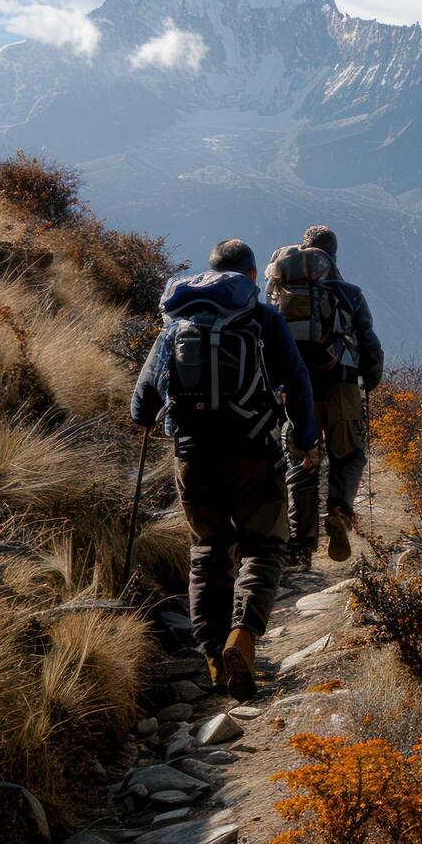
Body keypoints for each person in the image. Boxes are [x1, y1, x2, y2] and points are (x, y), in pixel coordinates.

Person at [131, 240, 319, 702]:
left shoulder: (176, 322)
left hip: (192, 456)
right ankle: (244, 638)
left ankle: (214, 656)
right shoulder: (261, 316)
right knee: (263, 547)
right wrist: (306, 438)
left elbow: (141, 404)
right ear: (252, 275)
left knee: (207, 552)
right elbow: (296, 380)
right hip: (253, 451)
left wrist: (158, 417)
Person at [275, 224, 384, 568]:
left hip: (296, 390)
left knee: (302, 461)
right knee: (349, 454)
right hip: (341, 387)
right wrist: (369, 379)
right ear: (333, 255)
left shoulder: (282, 292)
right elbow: (369, 343)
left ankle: (301, 545)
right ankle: (338, 511)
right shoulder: (349, 293)